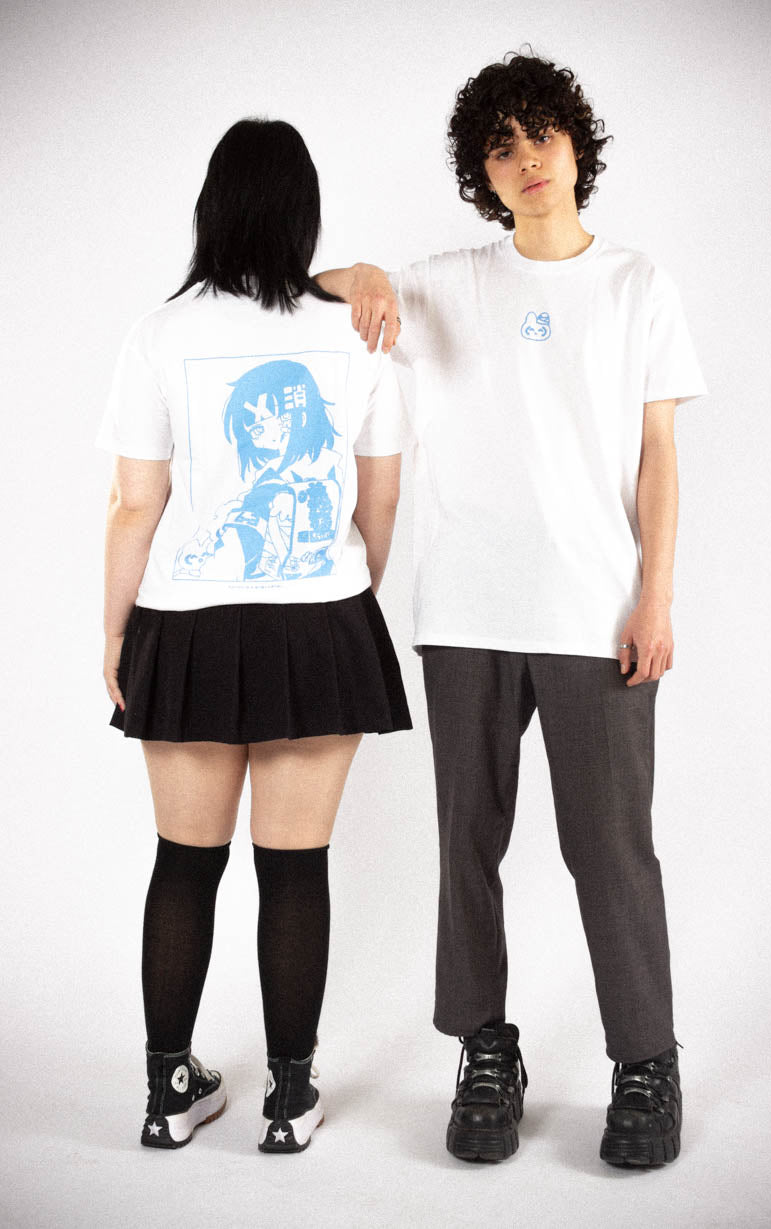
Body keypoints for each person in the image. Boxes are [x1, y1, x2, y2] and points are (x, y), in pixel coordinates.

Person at [318, 51, 707, 1166]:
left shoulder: (637, 285)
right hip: (465, 610)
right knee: (467, 843)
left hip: (596, 610)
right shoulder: (447, 281)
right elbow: (305, 289)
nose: (526, 159)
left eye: (541, 135)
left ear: (577, 146)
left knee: (611, 848)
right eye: (501, 147)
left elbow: (659, 455)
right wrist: (360, 273)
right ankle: (484, 1045)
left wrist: (656, 595)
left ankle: (646, 1057)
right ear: (481, 177)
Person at [98, 118, 410, 1154]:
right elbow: (380, 496)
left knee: (185, 864)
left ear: (211, 209)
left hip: (184, 628)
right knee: (294, 866)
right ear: (304, 215)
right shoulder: (358, 330)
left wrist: (115, 633)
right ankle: (288, 1098)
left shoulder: (158, 333)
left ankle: (167, 1094)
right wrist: (345, 588)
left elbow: (133, 504)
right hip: (320, 624)